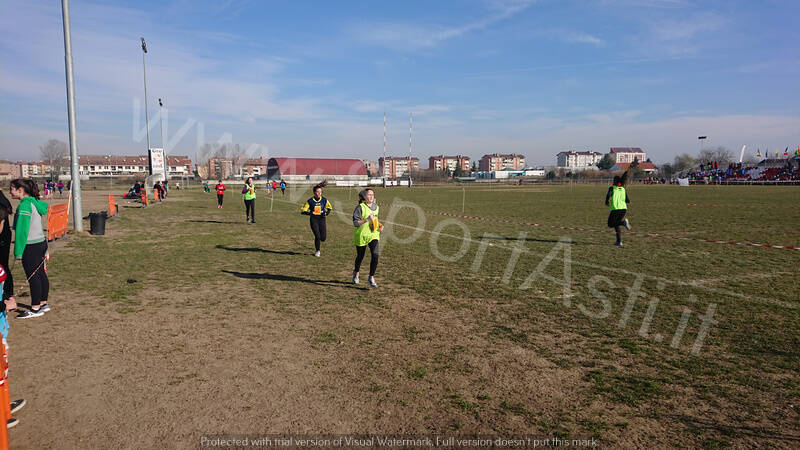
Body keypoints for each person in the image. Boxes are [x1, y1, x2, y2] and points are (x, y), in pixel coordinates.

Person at [9, 179, 50, 318]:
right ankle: (43, 303)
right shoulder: (34, 202)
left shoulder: (25, 206)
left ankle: (35, 308)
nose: (10, 191)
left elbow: (22, 231)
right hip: (40, 243)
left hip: (31, 245)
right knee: (40, 274)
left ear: (20, 190)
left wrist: (18, 252)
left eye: (12, 189)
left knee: (34, 277)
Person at [352, 188, 383, 288]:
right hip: (361, 235)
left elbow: (375, 220)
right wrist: (366, 220)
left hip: (373, 234)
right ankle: (356, 272)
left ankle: (371, 277)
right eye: (369, 195)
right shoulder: (360, 207)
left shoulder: (376, 207)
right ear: (364, 197)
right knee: (360, 256)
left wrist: (380, 225)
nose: (371, 197)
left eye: (372, 195)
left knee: (375, 254)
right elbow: (355, 223)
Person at [300, 182, 332, 257]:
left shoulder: (324, 200)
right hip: (314, 220)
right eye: (317, 192)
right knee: (317, 236)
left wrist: (326, 213)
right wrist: (310, 212)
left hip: (322, 219)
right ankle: (317, 251)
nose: (319, 194)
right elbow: (303, 211)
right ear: (314, 193)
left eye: (320, 192)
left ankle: (320, 242)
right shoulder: (310, 201)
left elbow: (329, 208)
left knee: (323, 238)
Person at [605, 175, 631, 246]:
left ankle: (623, 223)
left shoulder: (612, 188)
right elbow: (628, 200)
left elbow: (608, 195)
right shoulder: (623, 189)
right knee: (616, 224)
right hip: (623, 209)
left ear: (615, 181)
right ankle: (619, 241)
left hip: (616, 209)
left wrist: (607, 201)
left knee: (610, 224)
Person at [0, 191, 14, 306]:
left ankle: (7, 293)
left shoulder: (1, 201)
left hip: (2, 238)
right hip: (5, 237)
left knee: (3, 266)